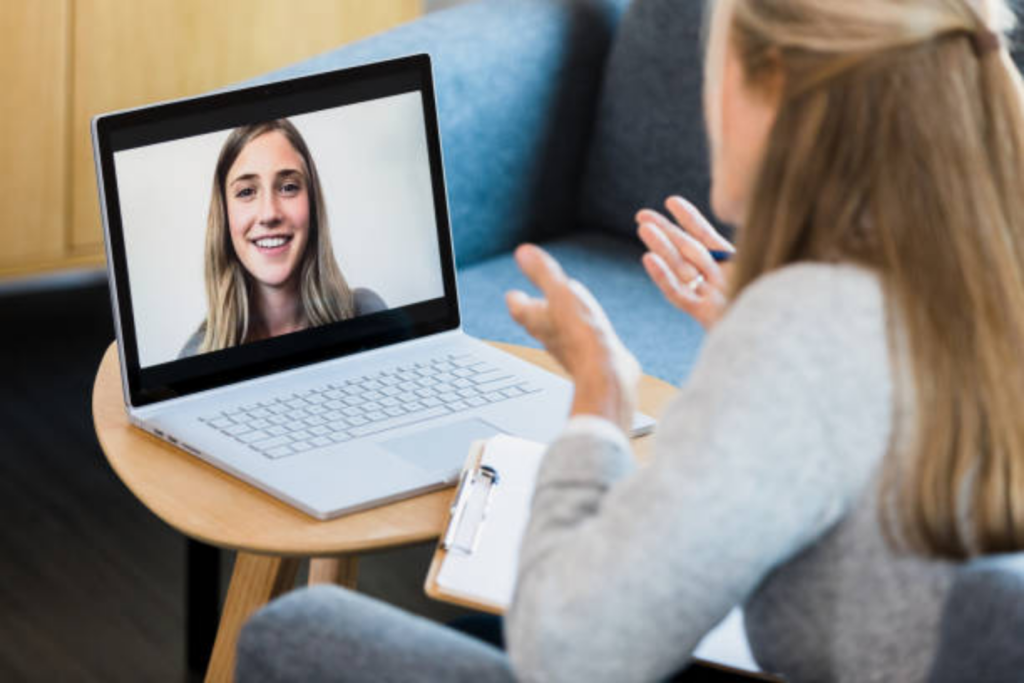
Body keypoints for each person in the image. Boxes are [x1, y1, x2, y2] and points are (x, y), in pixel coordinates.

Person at [235, 0, 1024, 681]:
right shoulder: (973, 275)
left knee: (291, 636)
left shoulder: (808, 330)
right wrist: (751, 339)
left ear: (773, 85)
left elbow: (573, 655)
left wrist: (599, 400)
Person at [179, 119, 386, 358]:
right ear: (224, 216)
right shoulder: (195, 356)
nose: (269, 214)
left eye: (288, 187)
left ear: (312, 205)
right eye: (246, 192)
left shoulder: (366, 314)